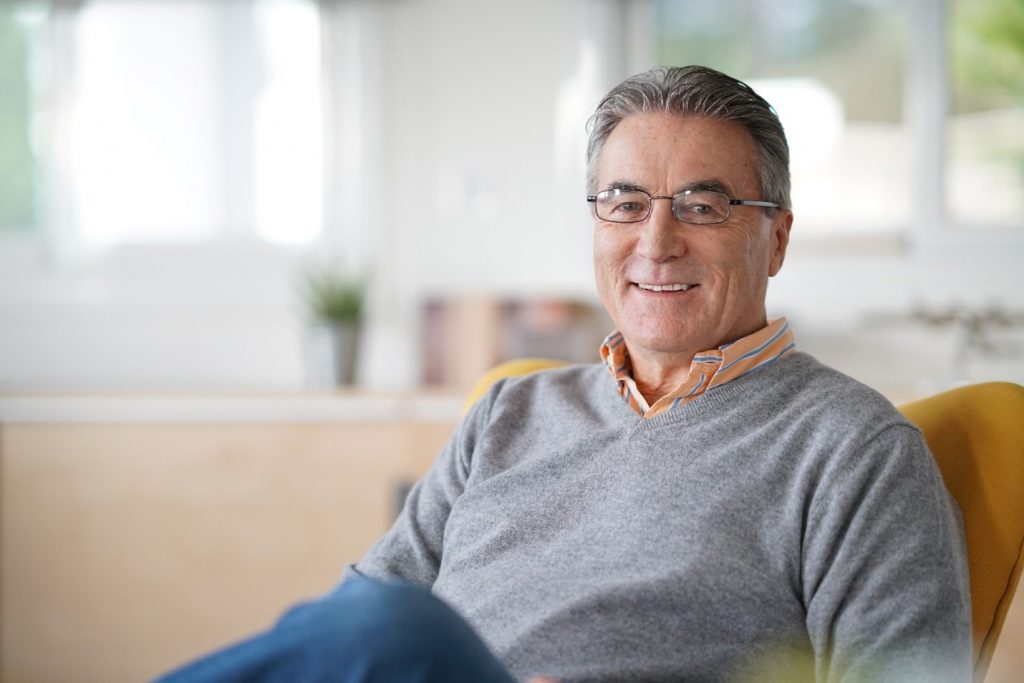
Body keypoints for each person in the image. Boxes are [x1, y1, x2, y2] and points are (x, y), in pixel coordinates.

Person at [157, 65, 972, 683]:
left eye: (702, 204)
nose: (655, 243)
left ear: (777, 238)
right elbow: (353, 620)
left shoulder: (855, 449)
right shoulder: (509, 410)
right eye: (624, 203)